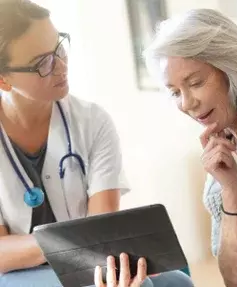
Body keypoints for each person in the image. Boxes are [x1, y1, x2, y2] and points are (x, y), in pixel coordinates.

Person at [0, 1, 193, 287]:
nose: (62, 66)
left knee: (177, 283)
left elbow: (102, 231)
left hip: (85, 259)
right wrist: (68, 243)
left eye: (59, 47)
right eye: (43, 63)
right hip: (12, 275)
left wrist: (78, 245)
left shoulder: (92, 121)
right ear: (3, 79)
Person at [144, 7, 237, 287]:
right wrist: (229, 190)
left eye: (196, 82)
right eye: (175, 92)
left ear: (230, 68)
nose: (186, 103)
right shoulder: (224, 144)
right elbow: (235, 280)